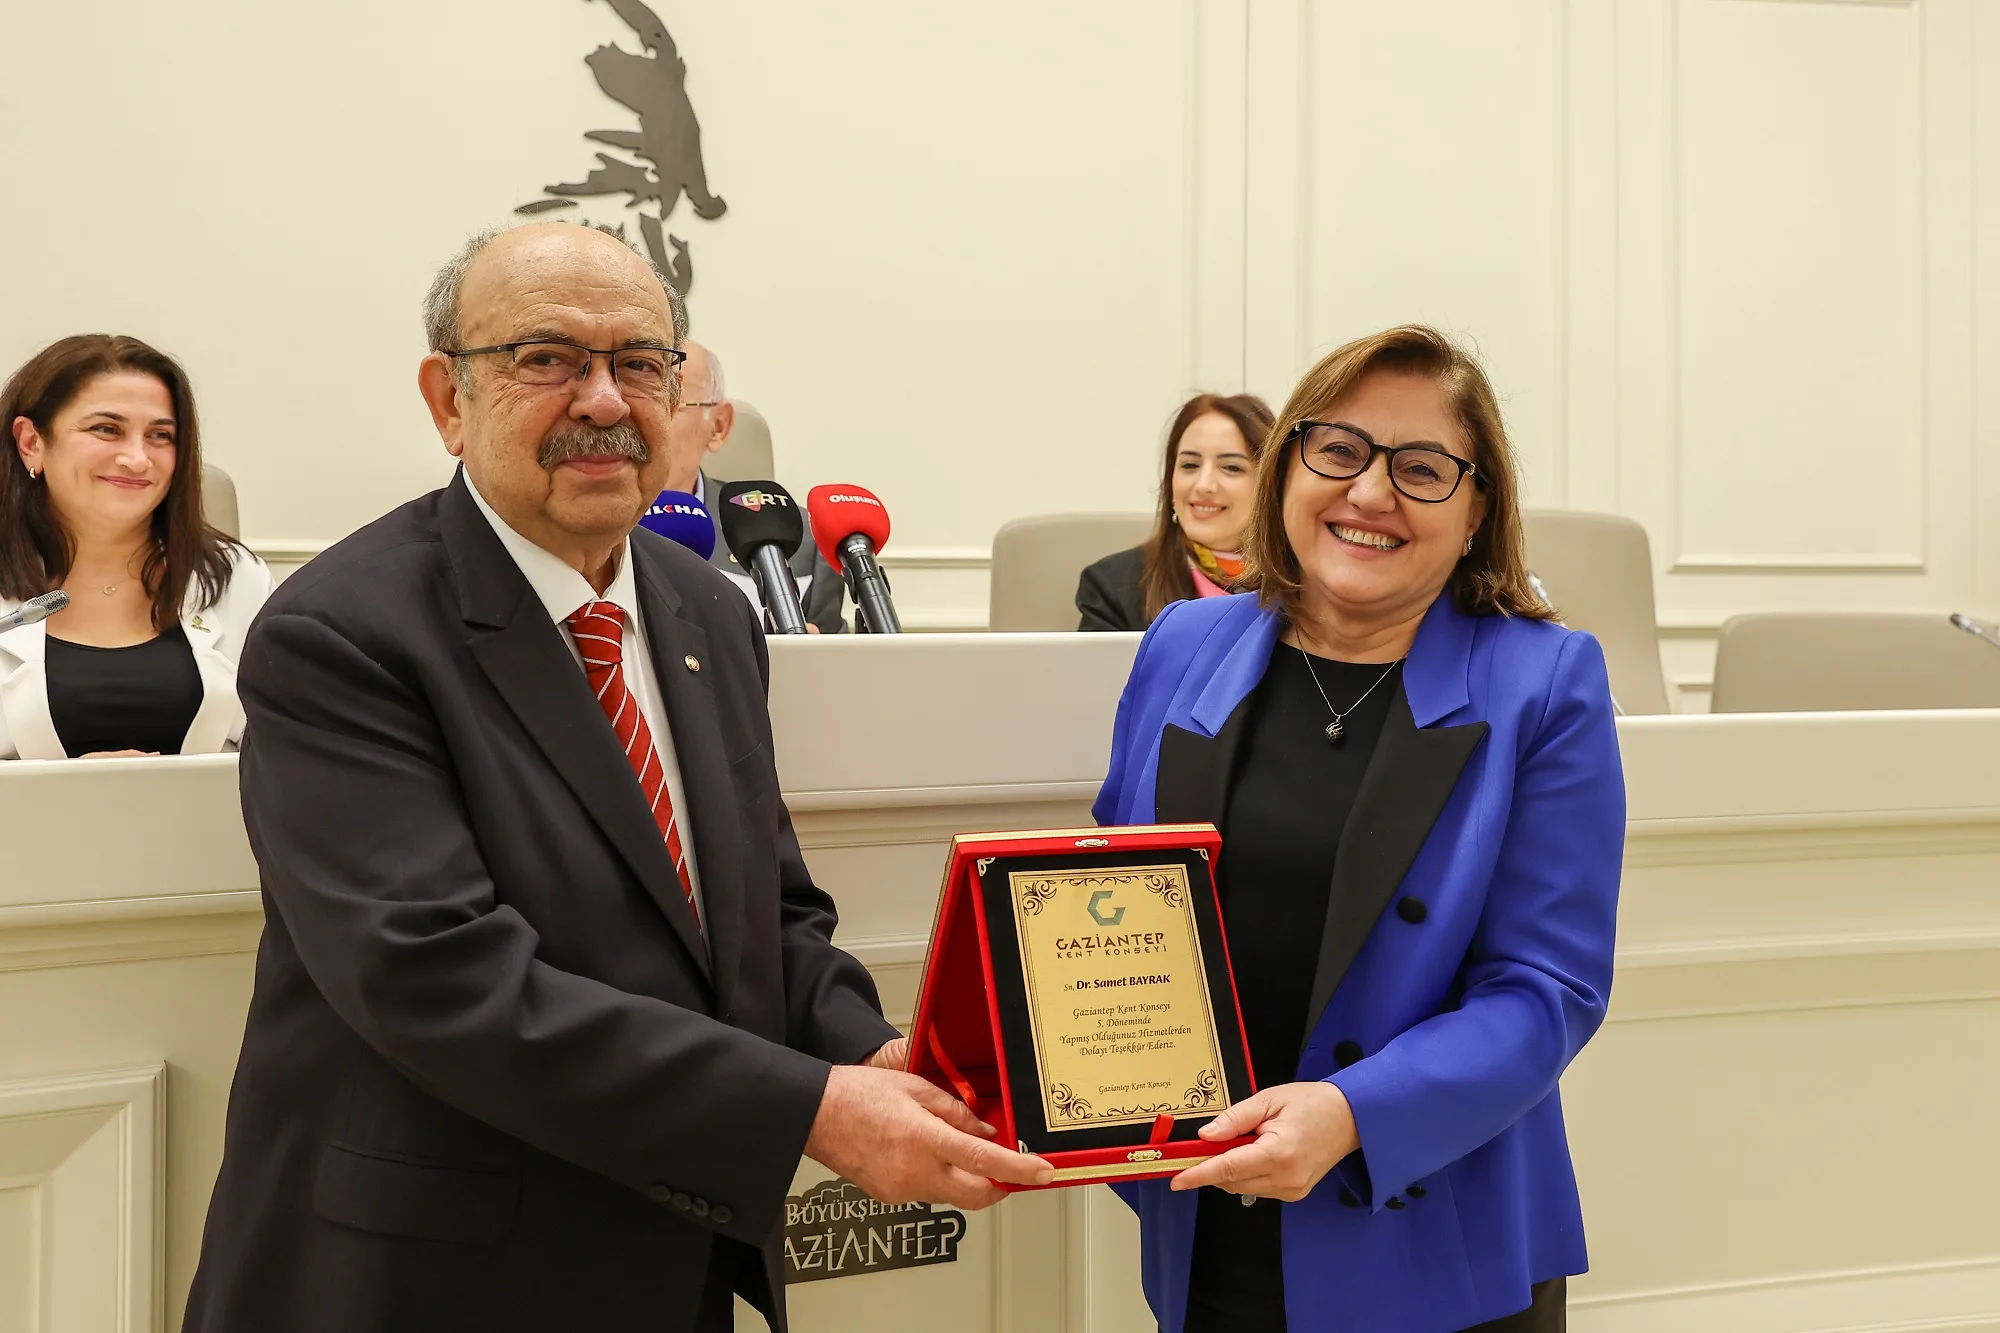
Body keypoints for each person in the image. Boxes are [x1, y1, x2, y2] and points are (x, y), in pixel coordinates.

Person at [182, 222, 1050, 1333]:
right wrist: (814, 1111)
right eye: (546, 358)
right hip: (424, 1278)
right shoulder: (343, 633)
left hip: (666, 1258)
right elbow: (438, 978)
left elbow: (763, 915)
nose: (602, 399)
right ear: (447, 398)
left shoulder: (709, 616)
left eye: (641, 362)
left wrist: (875, 1050)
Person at [1092, 325, 1623, 1332]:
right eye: (1336, 450)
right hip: (1209, 1209)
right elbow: (1110, 895)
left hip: (1423, 1230)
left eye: (1420, 469)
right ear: (1287, 463)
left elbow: (1545, 990)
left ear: (1476, 512)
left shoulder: (1542, 682)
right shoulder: (1181, 641)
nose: (1369, 494)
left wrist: (1347, 1118)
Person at [0, 335, 271, 760]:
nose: (137, 458)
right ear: (32, 442)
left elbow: (287, 744)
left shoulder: (236, 576)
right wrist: (69, 787)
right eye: (106, 429)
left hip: (203, 825)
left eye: (160, 435)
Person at [657, 339, 846, 632]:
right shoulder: (574, 533)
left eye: (668, 402)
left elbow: (837, 674)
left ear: (718, 426)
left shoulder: (800, 545)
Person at [1076, 392, 1274, 631]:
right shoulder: (1112, 586)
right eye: (1190, 465)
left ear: (1270, 484)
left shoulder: (1305, 585)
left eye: (1231, 467)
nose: (1203, 485)